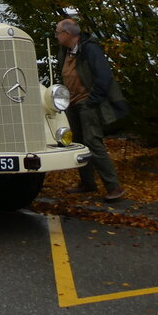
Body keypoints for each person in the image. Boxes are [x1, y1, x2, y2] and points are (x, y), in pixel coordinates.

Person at [55, 18, 127, 201]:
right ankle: (87, 183)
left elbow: (104, 76)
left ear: (67, 34)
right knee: (79, 144)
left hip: (87, 102)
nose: (56, 36)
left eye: (58, 32)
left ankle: (114, 187)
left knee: (93, 142)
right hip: (72, 103)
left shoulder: (90, 49)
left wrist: (92, 101)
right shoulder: (66, 51)